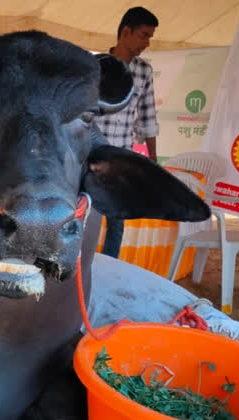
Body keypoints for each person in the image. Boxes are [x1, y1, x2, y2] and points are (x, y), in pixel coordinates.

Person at [95, 6, 160, 259]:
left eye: (150, 37)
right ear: (125, 31)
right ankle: (76, 269)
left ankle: (110, 266)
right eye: (144, 35)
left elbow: (148, 116)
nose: (147, 43)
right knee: (84, 215)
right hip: (89, 155)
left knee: (116, 220)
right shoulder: (96, 66)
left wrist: (153, 159)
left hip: (121, 156)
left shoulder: (143, 71)